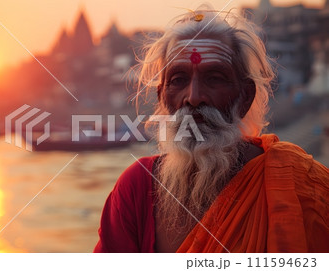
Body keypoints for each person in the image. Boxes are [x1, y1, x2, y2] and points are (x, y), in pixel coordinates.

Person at [94, 6, 329, 253]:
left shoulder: (303, 187)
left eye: (214, 78)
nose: (193, 98)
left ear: (245, 96)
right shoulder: (138, 187)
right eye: (178, 80)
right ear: (162, 96)